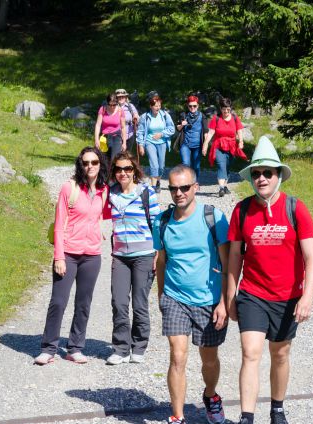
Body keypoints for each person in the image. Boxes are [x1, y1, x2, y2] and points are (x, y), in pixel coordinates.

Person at [226, 136, 313, 424]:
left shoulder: (296, 208)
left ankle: (277, 409)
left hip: (287, 296)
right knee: (250, 352)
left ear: (279, 175)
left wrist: (307, 296)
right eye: (256, 173)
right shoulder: (242, 211)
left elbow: (311, 258)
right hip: (253, 294)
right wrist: (230, 296)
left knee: (280, 354)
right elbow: (234, 259)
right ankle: (247, 417)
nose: (262, 178)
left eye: (268, 172)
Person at [153, 165, 230, 424]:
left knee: (209, 360)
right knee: (177, 355)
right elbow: (161, 261)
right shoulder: (162, 222)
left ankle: (211, 395)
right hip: (175, 298)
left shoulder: (213, 217)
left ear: (195, 187)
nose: (178, 193)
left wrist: (224, 302)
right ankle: (177, 416)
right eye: (173, 188)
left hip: (209, 301)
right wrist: (162, 295)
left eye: (184, 187)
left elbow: (229, 264)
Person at [35, 146, 110, 365]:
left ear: (100, 164)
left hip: (92, 255)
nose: (90, 167)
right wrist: (58, 256)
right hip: (68, 252)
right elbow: (59, 225)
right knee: (58, 301)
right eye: (86, 163)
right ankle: (48, 348)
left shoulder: (103, 190)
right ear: (80, 164)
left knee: (83, 303)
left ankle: (75, 347)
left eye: (94, 162)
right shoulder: (70, 188)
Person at [106, 151, 161, 365]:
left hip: (144, 256)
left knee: (139, 304)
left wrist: (158, 254)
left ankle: (139, 345)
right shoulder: (110, 194)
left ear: (134, 171)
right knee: (119, 302)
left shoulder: (146, 193)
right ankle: (120, 348)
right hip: (120, 256)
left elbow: (157, 224)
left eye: (127, 169)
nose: (123, 173)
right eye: (119, 169)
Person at [202, 97, 247, 198]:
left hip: (231, 146)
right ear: (220, 108)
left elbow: (239, 130)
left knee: (227, 166)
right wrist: (205, 144)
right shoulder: (216, 118)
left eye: (228, 109)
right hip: (218, 145)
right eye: (224, 109)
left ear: (230, 108)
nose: (226, 111)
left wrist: (241, 141)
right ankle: (221, 188)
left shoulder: (235, 118)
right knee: (221, 165)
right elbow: (211, 132)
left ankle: (225, 186)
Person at [136, 93, 175, 193]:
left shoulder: (165, 115)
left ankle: (158, 181)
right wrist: (141, 145)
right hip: (149, 142)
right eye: (155, 106)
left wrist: (161, 134)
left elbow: (172, 129)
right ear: (151, 106)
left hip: (162, 142)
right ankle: (153, 187)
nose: (158, 108)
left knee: (161, 166)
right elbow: (140, 132)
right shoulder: (145, 117)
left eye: (159, 105)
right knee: (154, 164)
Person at [176, 95, 208, 181]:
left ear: (198, 106)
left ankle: (194, 182)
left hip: (197, 145)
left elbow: (206, 131)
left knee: (196, 166)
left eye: (194, 106)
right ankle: (187, 182)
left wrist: (205, 145)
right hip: (185, 144)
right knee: (185, 164)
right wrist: (182, 125)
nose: (192, 108)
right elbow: (178, 128)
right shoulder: (183, 115)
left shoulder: (202, 116)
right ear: (187, 106)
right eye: (190, 106)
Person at [95, 93, 127, 163]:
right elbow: (98, 125)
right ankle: (105, 173)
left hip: (116, 137)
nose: (112, 107)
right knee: (103, 160)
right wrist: (96, 139)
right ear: (107, 103)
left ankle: (113, 173)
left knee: (114, 160)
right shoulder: (102, 109)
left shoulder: (120, 111)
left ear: (117, 103)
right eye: (110, 105)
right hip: (104, 137)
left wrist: (124, 142)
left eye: (114, 105)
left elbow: (123, 127)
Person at [115, 88, 140, 154]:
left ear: (126, 97)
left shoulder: (130, 106)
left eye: (122, 96)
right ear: (116, 98)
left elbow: (136, 115)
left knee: (127, 154)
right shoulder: (113, 107)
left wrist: (135, 117)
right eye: (119, 97)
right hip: (117, 134)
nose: (121, 98)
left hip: (129, 133)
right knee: (118, 155)